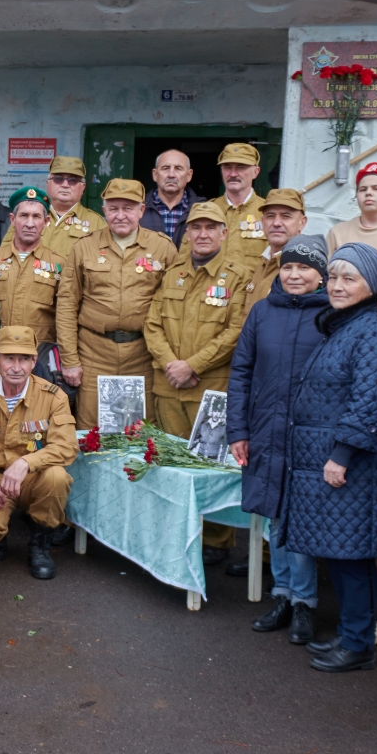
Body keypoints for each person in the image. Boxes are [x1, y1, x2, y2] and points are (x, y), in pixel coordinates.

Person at [277, 242, 377, 672]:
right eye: (333, 276)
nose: (337, 285)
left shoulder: (374, 331)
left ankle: (357, 645)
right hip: (330, 460)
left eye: (350, 278)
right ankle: (352, 638)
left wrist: (342, 455)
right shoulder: (347, 325)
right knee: (342, 553)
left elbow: (369, 401)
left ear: (372, 285)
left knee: (351, 557)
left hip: (350, 466)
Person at [228, 234, 329, 642]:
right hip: (266, 430)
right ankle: (283, 594)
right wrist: (238, 430)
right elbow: (241, 372)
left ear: (321, 275)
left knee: (300, 520)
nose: (294, 274)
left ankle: (305, 602)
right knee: (273, 516)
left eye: (304, 267)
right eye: (288, 266)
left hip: (308, 435)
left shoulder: (333, 315)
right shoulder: (261, 313)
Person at [144, 198, 252, 565]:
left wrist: (192, 365)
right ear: (186, 233)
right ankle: (177, 532)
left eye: (210, 228)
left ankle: (216, 542)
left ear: (224, 233)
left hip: (211, 387)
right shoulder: (173, 272)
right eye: (196, 227)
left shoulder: (237, 276)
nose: (202, 234)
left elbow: (236, 331)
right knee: (172, 468)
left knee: (212, 468)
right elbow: (153, 324)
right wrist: (170, 363)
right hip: (169, 386)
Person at [56, 178, 178, 429]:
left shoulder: (162, 248)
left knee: (142, 430)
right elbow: (67, 305)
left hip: (142, 354)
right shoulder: (84, 247)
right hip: (94, 354)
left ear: (141, 211)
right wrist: (70, 360)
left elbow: (176, 307)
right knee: (91, 430)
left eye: (128, 208)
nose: (120, 215)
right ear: (105, 211)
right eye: (114, 208)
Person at [0, 326, 75, 578]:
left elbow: (66, 447)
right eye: (9, 358)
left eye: (24, 359)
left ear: (34, 361)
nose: (16, 366)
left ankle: (40, 543)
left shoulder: (54, 397)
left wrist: (26, 462)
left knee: (57, 477)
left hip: (32, 478)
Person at [0, 187, 64, 347]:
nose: (30, 224)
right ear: (12, 219)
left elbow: (66, 317)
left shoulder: (60, 265)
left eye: (36, 216)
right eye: (24, 216)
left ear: (46, 222)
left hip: (40, 356)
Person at [326, 162, 377, 317]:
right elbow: (328, 278)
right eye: (363, 189)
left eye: (376, 188)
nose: (368, 193)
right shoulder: (338, 232)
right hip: (344, 319)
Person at [239, 188, 309, 320]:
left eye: (286, 216)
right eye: (270, 216)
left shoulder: (305, 269)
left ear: (302, 222)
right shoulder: (264, 262)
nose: (276, 223)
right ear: (263, 221)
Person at [30, 156, 106, 257]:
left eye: (73, 180)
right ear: (48, 184)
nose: (65, 185)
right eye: (58, 179)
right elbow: (7, 258)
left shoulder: (97, 224)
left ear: (82, 187)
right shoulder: (27, 216)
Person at [214, 143, 267, 263]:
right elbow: (187, 259)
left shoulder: (267, 213)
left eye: (241, 167)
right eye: (227, 167)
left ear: (256, 172)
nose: (233, 174)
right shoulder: (207, 211)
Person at [140, 149, 198, 247]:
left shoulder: (202, 209)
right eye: (165, 168)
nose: (171, 174)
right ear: (155, 174)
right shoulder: (138, 208)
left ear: (189, 175)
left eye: (178, 168)